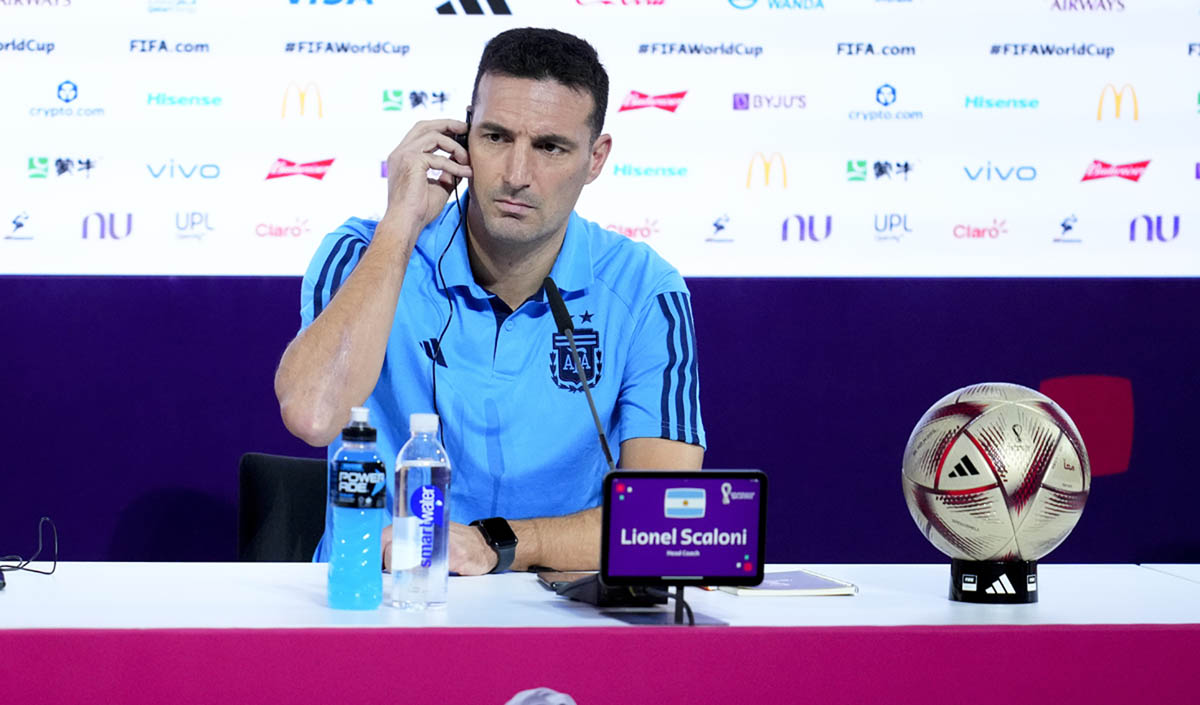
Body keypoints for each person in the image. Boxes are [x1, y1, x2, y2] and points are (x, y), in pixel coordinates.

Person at [274, 27, 704, 576]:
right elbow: (313, 415)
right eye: (496, 137)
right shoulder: (363, 252)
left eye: (550, 147)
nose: (517, 176)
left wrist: (497, 543)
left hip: (554, 616)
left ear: (596, 159)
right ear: (462, 138)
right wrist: (400, 227)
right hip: (377, 602)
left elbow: (660, 524)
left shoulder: (646, 291)